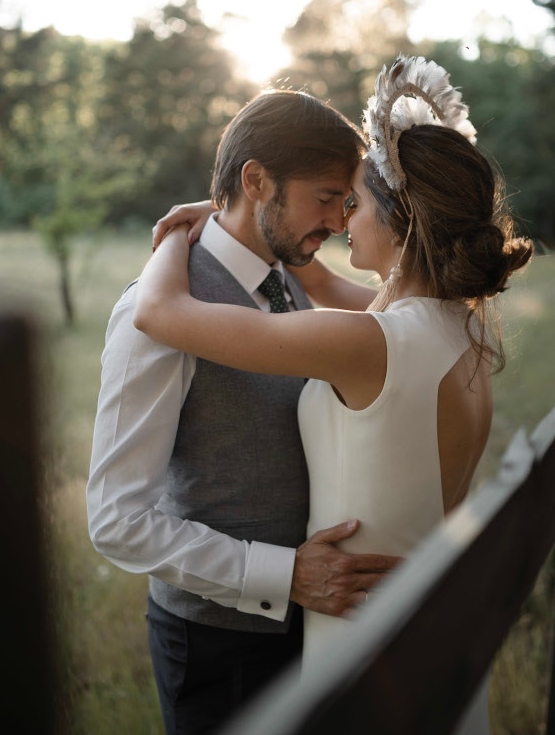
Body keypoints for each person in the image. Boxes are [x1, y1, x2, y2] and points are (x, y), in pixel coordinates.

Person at [134, 56, 533, 733]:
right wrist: (237, 208)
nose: (345, 218)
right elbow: (319, 280)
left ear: (401, 222)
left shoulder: (365, 343)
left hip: (367, 642)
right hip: (430, 629)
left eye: (357, 203)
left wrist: (176, 234)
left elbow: (160, 315)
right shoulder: (452, 325)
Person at [86, 89, 400, 735]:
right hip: (218, 652)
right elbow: (115, 519)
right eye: (325, 199)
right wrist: (286, 575)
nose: (340, 223)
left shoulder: (286, 275)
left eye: (347, 204)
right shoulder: (155, 312)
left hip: (307, 627)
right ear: (257, 180)